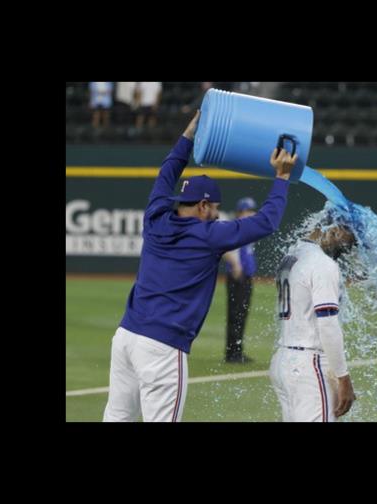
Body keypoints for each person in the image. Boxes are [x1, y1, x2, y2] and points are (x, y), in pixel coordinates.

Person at [103, 111, 298, 422]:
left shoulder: (155, 219)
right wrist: (282, 177)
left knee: (116, 417)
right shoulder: (209, 236)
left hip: (126, 336)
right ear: (204, 205)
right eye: (215, 209)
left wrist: (188, 135)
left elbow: (168, 170)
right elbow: (266, 222)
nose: (217, 215)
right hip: (162, 347)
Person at [269, 214, 357, 422]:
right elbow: (327, 325)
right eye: (350, 237)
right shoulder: (322, 263)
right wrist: (343, 377)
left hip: (284, 359)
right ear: (334, 229)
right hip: (309, 365)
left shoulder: (294, 253)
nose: (350, 246)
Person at [221, 197, 259, 363]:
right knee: (236, 315)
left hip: (245, 276)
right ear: (240, 212)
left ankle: (237, 350)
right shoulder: (236, 227)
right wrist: (235, 264)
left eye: (252, 210)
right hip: (238, 276)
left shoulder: (247, 228)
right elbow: (225, 248)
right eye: (248, 210)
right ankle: (233, 353)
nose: (252, 213)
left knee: (241, 314)